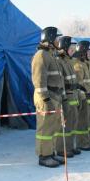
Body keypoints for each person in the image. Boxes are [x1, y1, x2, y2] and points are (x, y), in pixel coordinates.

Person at [31, 26, 65, 168]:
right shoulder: (41, 55)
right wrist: (46, 99)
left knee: (54, 127)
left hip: (54, 97)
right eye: (57, 38)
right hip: (46, 97)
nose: (58, 42)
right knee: (45, 128)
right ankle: (44, 156)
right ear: (50, 39)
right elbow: (39, 81)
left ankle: (51, 152)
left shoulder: (52, 55)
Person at [54, 36, 80, 158]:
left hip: (73, 97)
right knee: (64, 125)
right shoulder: (59, 61)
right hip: (66, 97)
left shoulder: (68, 61)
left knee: (72, 123)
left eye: (74, 48)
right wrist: (63, 99)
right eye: (71, 48)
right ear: (64, 48)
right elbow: (60, 82)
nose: (73, 51)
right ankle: (61, 149)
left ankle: (69, 146)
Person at [72, 41, 90, 151]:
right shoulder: (78, 65)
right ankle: (82, 143)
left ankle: (87, 140)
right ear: (82, 52)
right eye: (88, 51)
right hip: (84, 98)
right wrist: (82, 98)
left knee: (88, 121)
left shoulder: (87, 64)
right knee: (82, 122)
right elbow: (79, 84)